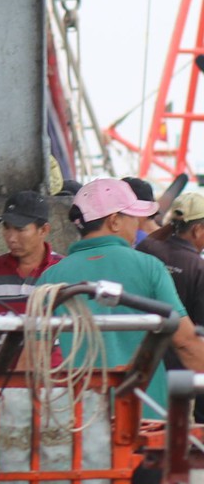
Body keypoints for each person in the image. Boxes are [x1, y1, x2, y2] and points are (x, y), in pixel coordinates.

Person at [37, 177, 204, 414]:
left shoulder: (50, 278)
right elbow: (186, 343)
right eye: (133, 217)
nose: (137, 225)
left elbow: (32, 356)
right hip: (144, 417)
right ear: (114, 221)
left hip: (75, 421)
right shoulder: (149, 267)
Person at [0, 190, 60, 316]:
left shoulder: (62, 270)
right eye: (6, 228)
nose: (11, 238)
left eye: (20, 229)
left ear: (43, 230)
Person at [143, 190, 204, 326]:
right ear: (197, 229)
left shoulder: (148, 248)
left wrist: (173, 224)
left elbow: (148, 241)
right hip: (181, 343)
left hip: (142, 341)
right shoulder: (199, 267)